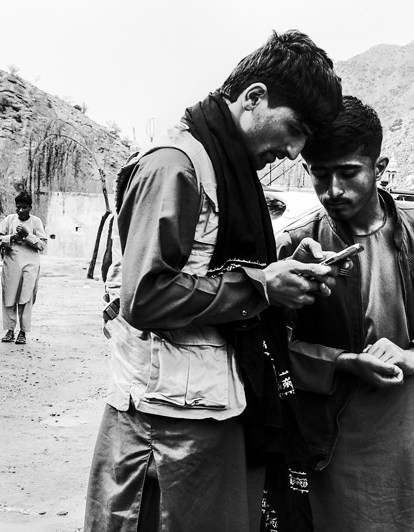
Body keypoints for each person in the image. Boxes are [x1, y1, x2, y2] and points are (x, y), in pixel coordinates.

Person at [84, 30, 343, 532]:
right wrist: (262, 287)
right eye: (295, 129)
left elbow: (209, 266)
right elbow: (145, 294)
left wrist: (284, 264)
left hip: (208, 413)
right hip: (163, 430)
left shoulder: (227, 169)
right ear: (254, 99)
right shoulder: (175, 165)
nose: (293, 151)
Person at [276, 96, 414, 531]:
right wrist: (343, 362)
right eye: (320, 175)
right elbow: (276, 351)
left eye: (349, 173)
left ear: (380, 166)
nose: (333, 190)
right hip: (334, 446)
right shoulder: (299, 246)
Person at [0, 190, 47, 345]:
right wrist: (11, 238)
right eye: (18, 207)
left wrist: (27, 235)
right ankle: (10, 330)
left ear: (30, 207)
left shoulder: (36, 222)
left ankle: (22, 332)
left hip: (30, 265)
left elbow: (42, 245)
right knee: (9, 297)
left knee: (26, 298)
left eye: (24, 207)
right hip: (11, 264)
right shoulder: (9, 220)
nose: (20, 210)